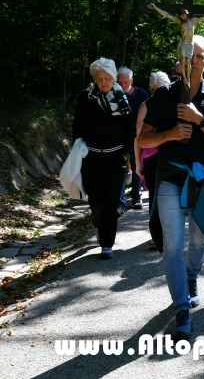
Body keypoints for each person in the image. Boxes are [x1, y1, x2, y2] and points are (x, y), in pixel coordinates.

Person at [138, 35, 204, 341]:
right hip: (170, 177)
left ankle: (191, 278)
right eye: (189, 56)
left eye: (200, 57)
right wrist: (169, 134)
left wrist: (199, 119)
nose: (194, 62)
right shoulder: (164, 95)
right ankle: (181, 309)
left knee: (200, 237)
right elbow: (143, 139)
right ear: (180, 58)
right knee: (172, 244)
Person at [72, 58, 135, 260]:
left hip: (114, 158)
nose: (103, 83)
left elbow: (130, 129)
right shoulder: (86, 98)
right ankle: (100, 224)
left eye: (107, 78)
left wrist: (126, 152)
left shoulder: (122, 98)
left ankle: (107, 244)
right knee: (95, 196)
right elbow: (77, 125)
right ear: (95, 80)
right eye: (99, 79)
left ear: (113, 78)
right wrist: (78, 146)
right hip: (91, 157)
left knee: (110, 201)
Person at [148, 3, 204, 90]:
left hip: (190, 44)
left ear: (187, 14)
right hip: (184, 43)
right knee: (183, 61)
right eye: (181, 16)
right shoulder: (180, 22)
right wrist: (156, 8)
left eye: (184, 16)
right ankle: (185, 80)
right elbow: (167, 15)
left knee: (188, 62)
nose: (183, 18)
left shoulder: (193, 21)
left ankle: (186, 79)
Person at [134, 71, 171, 249]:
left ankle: (170, 232)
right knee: (155, 197)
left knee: (171, 195)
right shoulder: (145, 106)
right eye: (155, 90)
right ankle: (157, 236)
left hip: (171, 156)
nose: (158, 94)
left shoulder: (173, 105)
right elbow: (138, 137)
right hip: (151, 157)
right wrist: (137, 163)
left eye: (161, 90)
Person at [117, 66, 150, 209]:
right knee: (120, 167)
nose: (123, 85)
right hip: (120, 136)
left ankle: (136, 197)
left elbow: (150, 113)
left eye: (126, 82)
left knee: (136, 165)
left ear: (132, 80)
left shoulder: (142, 94)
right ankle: (120, 202)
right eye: (120, 82)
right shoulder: (114, 94)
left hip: (138, 136)